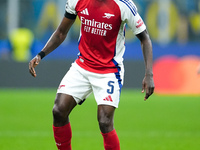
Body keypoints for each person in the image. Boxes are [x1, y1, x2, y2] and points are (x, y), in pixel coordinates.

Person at [29, 0, 154, 149]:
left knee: (105, 121)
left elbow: (145, 38)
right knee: (58, 111)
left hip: (109, 71)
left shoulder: (124, 5)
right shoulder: (77, 1)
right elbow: (61, 32)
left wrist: (149, 74)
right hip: (82, 67)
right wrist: (40, 55)